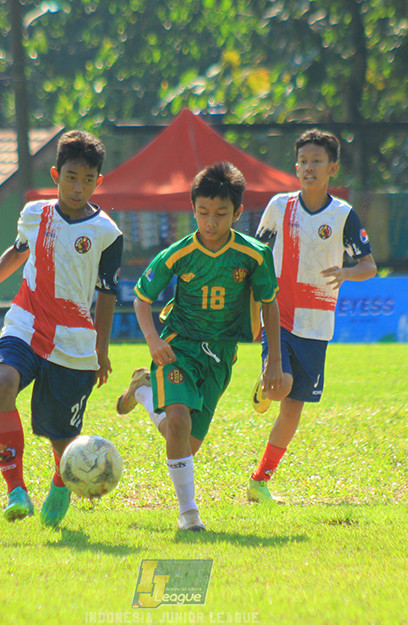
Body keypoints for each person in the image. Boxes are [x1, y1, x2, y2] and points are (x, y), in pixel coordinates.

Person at [0, 130, 123, 529]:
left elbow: (106, 296)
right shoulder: (35, 214)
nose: (78, 186)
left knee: (61, 436)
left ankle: (61, 484)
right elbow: (18, 252)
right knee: (1, 383)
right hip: (25, 323)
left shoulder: (107, 233)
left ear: (98, 182)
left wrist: (101, 352)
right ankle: (15, 489)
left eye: (87, 179)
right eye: (70, 177)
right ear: (55, 174)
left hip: (74, 341)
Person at [115, 162, 282, 532]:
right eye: (203, 212)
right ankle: (189, 513)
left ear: (238, 213)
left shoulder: (254, 255)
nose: (211, 222)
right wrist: (153, 340)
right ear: (193, 209)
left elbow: (269, 303)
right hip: (178, 347)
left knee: (185, 445)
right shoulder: (178, 253)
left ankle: (143, 392)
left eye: (221, 214)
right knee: (177, 420)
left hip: (221, 356)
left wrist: (273, 360)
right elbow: (142, 299)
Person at [248, 130, 376, 503]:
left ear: (332, 168)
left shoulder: (342, 215)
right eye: (303, 161)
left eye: (316, 161)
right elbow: (256, 257)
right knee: (281, 385)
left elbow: (368, 266)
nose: (308, 168)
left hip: (317, 323)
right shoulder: (279, 207)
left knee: (292, 409)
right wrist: (253, 309)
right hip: (279, 312)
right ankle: (268, 379)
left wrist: (346, 273)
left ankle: (260, 481)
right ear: (296, 167)